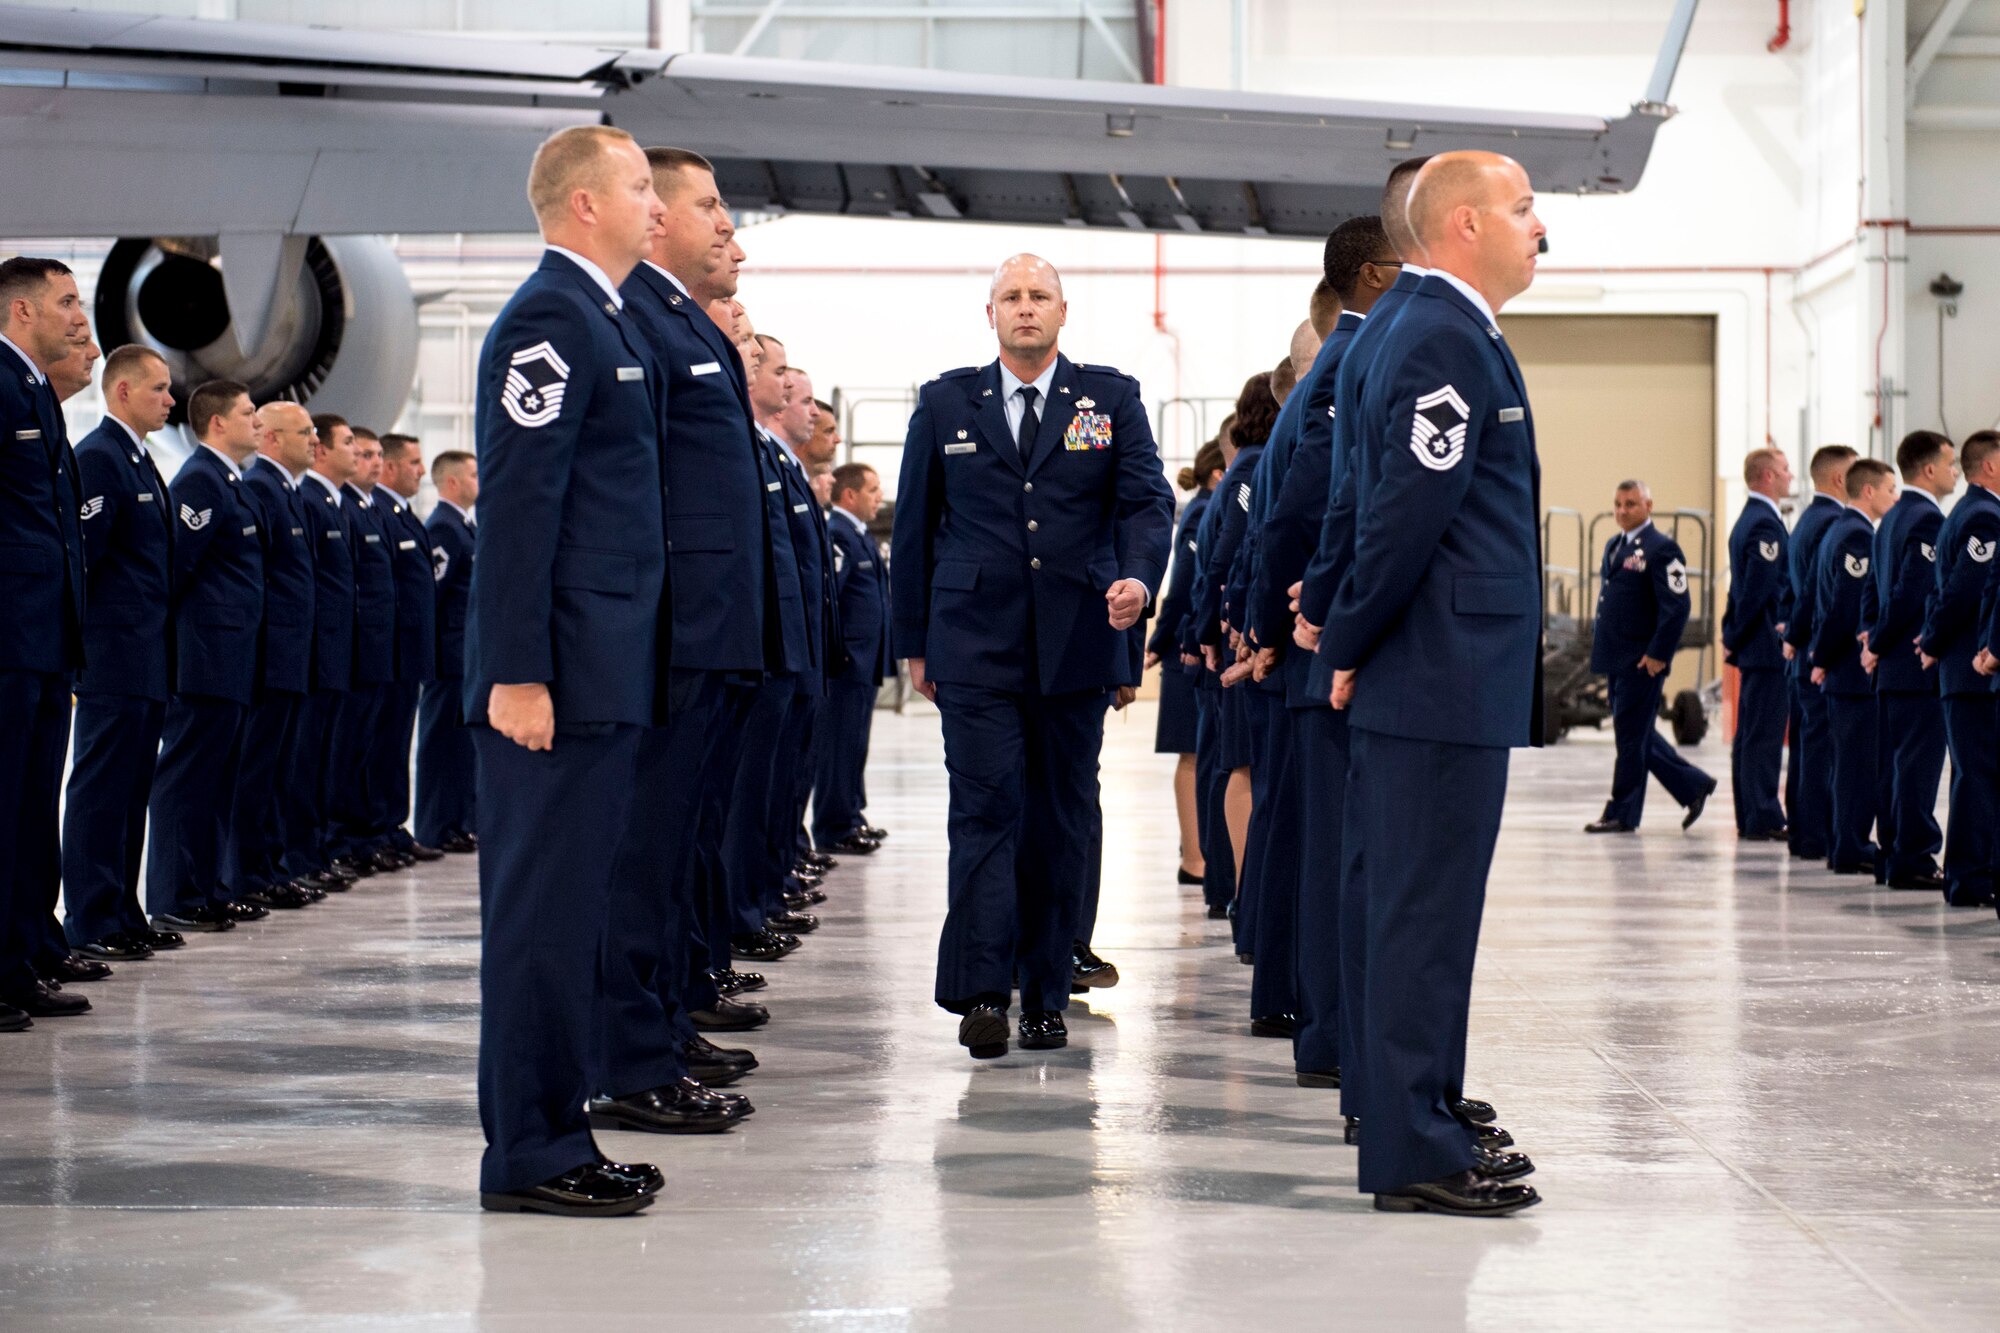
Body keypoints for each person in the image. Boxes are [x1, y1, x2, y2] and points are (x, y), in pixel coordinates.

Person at [1317, 151, 1545, 1217]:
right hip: (1435, 668)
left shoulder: (1414, 326)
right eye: (1521, 206)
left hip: (1426, 666)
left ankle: (1413, 1107)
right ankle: (1412, 1145)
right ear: (1461, 224)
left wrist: (1336, 623)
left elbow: (1356, 497)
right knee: (1421, 913)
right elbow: (1401, 515)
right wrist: (1350, 636)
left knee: (1407, 907)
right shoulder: (1441, 334)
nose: (1537, 226)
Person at [892, 252, 1173, 1059]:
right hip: (973, 641)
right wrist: (911, 640)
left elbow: (1147, 502)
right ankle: (984, 988)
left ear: (1062, 310)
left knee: (1060, 817)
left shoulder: (1109, 398)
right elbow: (914, 526)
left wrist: (1138, 585)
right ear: (990, 314)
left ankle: (1047, 990)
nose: (1025, 308)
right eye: (1010, 296)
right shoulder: (946, 401)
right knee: (985, 811)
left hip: (1079, 640)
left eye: (1038, 295)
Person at [465, 123, 673, 1216]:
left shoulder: (600, 315)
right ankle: (531, 1152)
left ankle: (558, 1128)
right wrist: (516, 673)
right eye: (639, 186)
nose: (656, 203)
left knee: (571, 912)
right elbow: (520, 508)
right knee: (540, 919)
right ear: (583, 204)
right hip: (556, 680)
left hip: (600, 671)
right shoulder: (551, 319)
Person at [1258, 212, 1398, 1089]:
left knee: (1323, 854)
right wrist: (1303, 618)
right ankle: (1337, 1039)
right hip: (1331, 645)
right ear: (1377, 275)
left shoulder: (1342, 360)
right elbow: (1309, 502)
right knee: (1339, 862)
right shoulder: (1351, 362)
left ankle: (1331, 1033)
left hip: (1318, 641)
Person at [62, 346, 183, 959]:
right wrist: (82, 653)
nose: (170, 399)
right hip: (112, 657)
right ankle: (89, 916)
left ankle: (121, 909)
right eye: (159, 389)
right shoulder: (101, 459)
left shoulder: (139, 460)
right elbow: (83, 561)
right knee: (101, 789)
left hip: (145, 658)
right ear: (123, 392)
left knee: (132, 789)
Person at [0, 257, 92, 1027]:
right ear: (22, 310)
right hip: (7, 637)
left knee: (31, 808)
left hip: (42, 637)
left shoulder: (36, 391)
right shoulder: (0, 383)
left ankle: (21, 957)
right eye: (65, 301)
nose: (77, 315)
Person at [146, 380, 267, 933]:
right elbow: (177, 568)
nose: (257, 421)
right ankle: (174, 895)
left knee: (217, 781)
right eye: (248, 413)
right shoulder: (200, 479)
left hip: (231, 657)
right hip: (205, 657)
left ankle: (206, 888)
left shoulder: (228, 481)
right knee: (188, 779)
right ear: (218, 423)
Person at [223, 402, 321, 914]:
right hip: (270, 651)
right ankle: (247, 873)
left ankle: (269, 867)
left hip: (291, 652)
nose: (316, 440)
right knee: (257, 770)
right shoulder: (262, 486)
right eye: (305, 432)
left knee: (280, 769)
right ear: (275, 439)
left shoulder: (286, 490)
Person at [1583, 480, 1715, 833]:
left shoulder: (1662, 549)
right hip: (1616, 658)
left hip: (1642, 662)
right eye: (1618, 504)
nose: (1623, 511)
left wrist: (1658, 654)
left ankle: (1621, 812)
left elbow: (1677, 606)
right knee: (1635, 735)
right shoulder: (1614, 545)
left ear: (1648, 506)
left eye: (1631, 504)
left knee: (1629, 739)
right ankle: (1693, 785)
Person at [1865, 431, 1954, 891]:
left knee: (1895, 765)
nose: (1956, 473)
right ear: (1929, 469)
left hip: (1890, 666)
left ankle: (1891, 853)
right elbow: (1910, 594)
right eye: (1951, 464)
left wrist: (1872, 640)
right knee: (1917, 767)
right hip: (1913, 661)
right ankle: (1915, 858)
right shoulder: (1926, 520)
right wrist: (1878, 641)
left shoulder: (1892, 518)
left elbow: (1875, 592)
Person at [1918, 429, 2000, 908]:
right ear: (1987, 467)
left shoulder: (1962, 513)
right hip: (1975, 669)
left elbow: (1941, 591)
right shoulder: (1985, 518)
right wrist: (1934, 641)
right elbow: (1965, 592)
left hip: (1961, 668)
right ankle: (1971, 877)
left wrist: (1932, 641)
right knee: (1979, 777)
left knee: (1972, 775)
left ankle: (1967, 873)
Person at [1808, 459, 1897, 873]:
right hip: (1852, 671)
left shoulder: (1839, 529)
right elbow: (1844, 607)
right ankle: (1851, 846)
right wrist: (1823, 658)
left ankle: (1844, 842)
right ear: (1868, 492)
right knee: (1857, 767)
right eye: (1889, 490)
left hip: (1839, 670)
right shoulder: (1858, 534)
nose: (1894, 498)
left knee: (1846, 764)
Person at [289, 415, 363, 896]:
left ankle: (312, 852)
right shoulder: (311, 501)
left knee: (321, 762)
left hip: (333, 651)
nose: (357, 452)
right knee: (300, 764)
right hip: (309, 653)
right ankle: (298, 855)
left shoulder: (332, 501)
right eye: (350, 442)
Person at [1147, 439, 1224, 885]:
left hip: (1189, 642)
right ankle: (1193, 858)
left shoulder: (1202, 508)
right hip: (1186, 647)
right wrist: (1160, 641)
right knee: (1191, 754)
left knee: (1198, 754)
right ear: (1218, 475)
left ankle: (1197, 850)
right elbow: (1182, 586)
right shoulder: (1200, 512)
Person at [328, 428, 403, 875]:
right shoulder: (346, 508)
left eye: (376, 454)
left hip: (375, 651)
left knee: (369, 751)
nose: (372, 461)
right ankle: (342, 840)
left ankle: (368, 834)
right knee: (341, 754)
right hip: (350, 651)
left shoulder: (371, 509)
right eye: (362, 452)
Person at [1783, 445, 1857, 862]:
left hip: (1805, 653)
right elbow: (1822, 595)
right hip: (1822, 657)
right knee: (1821, 752)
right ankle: (1815, 835)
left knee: (1808, 748)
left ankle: (1805, 832)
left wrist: (1793, 635)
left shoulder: (1808, 519)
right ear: (1838, 480)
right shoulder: (1833, 522)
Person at [373, 433, 444, 862]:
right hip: (384, 651)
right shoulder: (379, 511)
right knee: (373, 749)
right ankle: (367, 833)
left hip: (403, 654)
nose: (422, 471)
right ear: (391, 467)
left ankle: (387, 828)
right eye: (414, 462)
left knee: (393, 747)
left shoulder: (398, 513)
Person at [812, 462, 890, 852]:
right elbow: (833, 601)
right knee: (838, 747)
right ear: (850, 495)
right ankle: (833, 826)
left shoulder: (858, 534)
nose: (879, 497)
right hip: (846, 662)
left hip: (864, 660)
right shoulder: (838, 533)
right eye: (872, 490)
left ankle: (851, 815)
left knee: (854, 744)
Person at [1722, 447, 1794, 842]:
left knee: (1750, 734)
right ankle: (1764, 814)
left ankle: (1751, 814)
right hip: (1767, 645)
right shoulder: (1765, 524)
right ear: (1767, 476)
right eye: (1784, 469)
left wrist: (1733, 633)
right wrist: (1740, 632)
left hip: (1754, 645)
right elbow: (1756, 590)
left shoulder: (1750, 519)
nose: (1791, 475)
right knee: (1762, 735)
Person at [415, 449, 479, 854]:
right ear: (452, 482)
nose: (479, 480)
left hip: (463, 657)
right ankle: (434, 826)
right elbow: (431, 594)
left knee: (459, 748)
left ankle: (455, 822)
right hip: (446, 656)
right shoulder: (444, 528)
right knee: (440, 747)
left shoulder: (464, 527)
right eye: (473, 474)